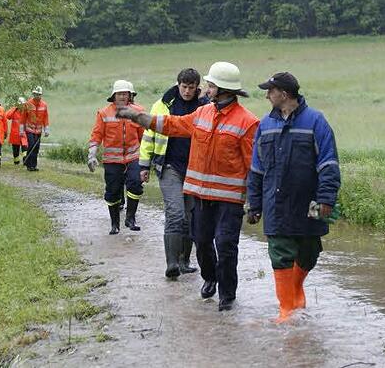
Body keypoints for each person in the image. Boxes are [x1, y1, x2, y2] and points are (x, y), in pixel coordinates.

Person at [117, 62, 259, 311]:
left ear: (223, 89)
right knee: (202, 242)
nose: (206, 87)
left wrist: (254, 200)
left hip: (229, 199)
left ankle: (227, 293)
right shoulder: (203, 113)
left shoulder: (247, 122)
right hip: (201, 195)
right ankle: (210, 277)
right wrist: (139, 117)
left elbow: (253, 165)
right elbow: (173, 125)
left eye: (211, 85)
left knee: (225, 244)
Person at [246, 72, 341, 323]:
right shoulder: (265, 125)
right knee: (280, 253)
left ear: (284, 94)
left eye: (271, 91)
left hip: (309, 202)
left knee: (310, 251)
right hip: (275, 203)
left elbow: (328, 164)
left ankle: (296, 290)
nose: (267, 95)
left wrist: (326, 199)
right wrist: (253, 203)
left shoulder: (316, 122)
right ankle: (286, 309)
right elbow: (256, 168)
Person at [139, 68, 207, 279]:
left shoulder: (206, 107)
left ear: (197, 88)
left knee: (189, 218)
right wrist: (144, 165)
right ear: (178, 84)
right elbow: (149, 135)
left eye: (191, 88)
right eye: (184, 87)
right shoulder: (162, 105)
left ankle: (185, 261)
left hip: (195, 169)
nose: (187, 91)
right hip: (168, 167)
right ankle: (172, 264)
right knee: (175, 213)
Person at [88, 80, 147, 235]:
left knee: (136, 184)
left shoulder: (138, 112)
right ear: (113, 96)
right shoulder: (104, 113)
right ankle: (115, 224)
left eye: (125, 94)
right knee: (113, 191)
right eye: (119, 94)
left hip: (134, 156)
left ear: (130, 96)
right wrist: (92, 154)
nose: (122, 96)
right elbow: (96, 135)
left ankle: (130, 218)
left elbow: (144, 137)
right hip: (112, 160)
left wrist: (147, 158)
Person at [20, 86, 49, 172]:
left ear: (41, 95)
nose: (37, 96)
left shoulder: (44, 105)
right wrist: (21, 130)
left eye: (39, 95)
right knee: (31, 145)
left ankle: (34, 165)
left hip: (39, 130)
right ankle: (29, 164)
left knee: (36, 148)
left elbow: (45, 117)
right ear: (33, 94)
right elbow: (23, 117)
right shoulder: (28, 104)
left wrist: (46, 129)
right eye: (36, 94)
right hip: (29, 129)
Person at [5, 97, 29, 165]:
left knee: (25, 147)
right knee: (15, 151)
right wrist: (14, 109)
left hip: (24, 133)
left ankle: (25, 161)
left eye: (23, 104)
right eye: (20, 105)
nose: (22, 106)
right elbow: (8, 116)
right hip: (15, 134)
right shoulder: (14, 111)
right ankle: (16, 161)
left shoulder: (26, 112)